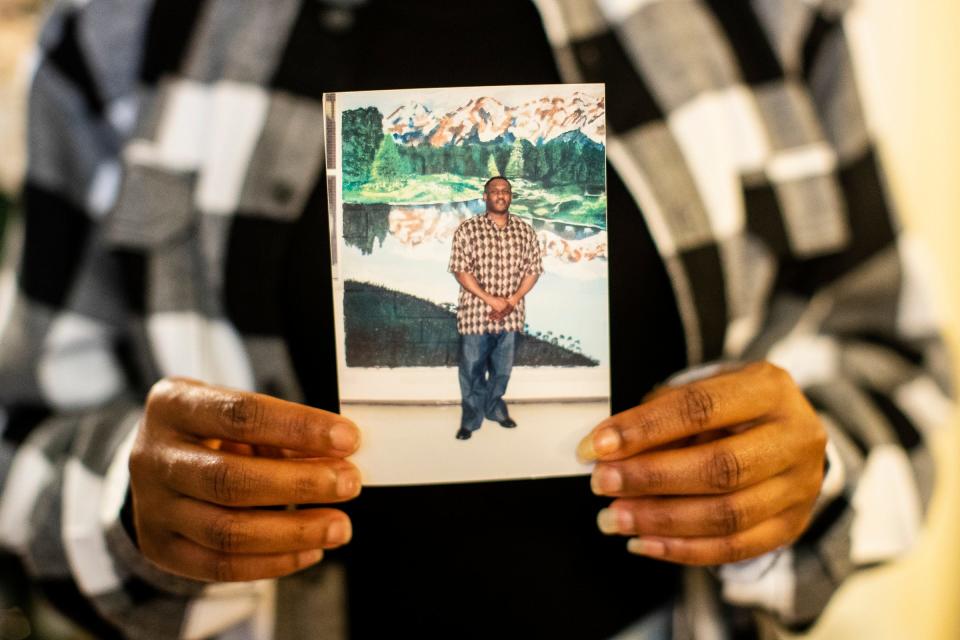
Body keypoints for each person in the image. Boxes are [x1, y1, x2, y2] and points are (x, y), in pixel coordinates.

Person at [0, 1, 952, 638]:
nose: (495, 195)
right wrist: (128, 511)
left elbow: (899, 372)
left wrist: (806, 473)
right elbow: (21, 440)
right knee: (473, 375)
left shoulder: (775, 18)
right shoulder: (114, 32)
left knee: (496, 368)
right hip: (455, 325)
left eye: (500, 190)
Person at [448, 176, 542, 440]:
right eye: (494, 191)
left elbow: (533, 271)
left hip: (511, 317)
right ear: (485, 196)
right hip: (475, 315)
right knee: (471, 370)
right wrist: (492, 300)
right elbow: (461, 271)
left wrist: (511, 301)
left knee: (502, 370)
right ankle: (471, 419)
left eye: (505, 191)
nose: (500, 195)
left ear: (511, 196)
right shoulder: (467, 230)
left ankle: (495, 410)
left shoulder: (525, 231)